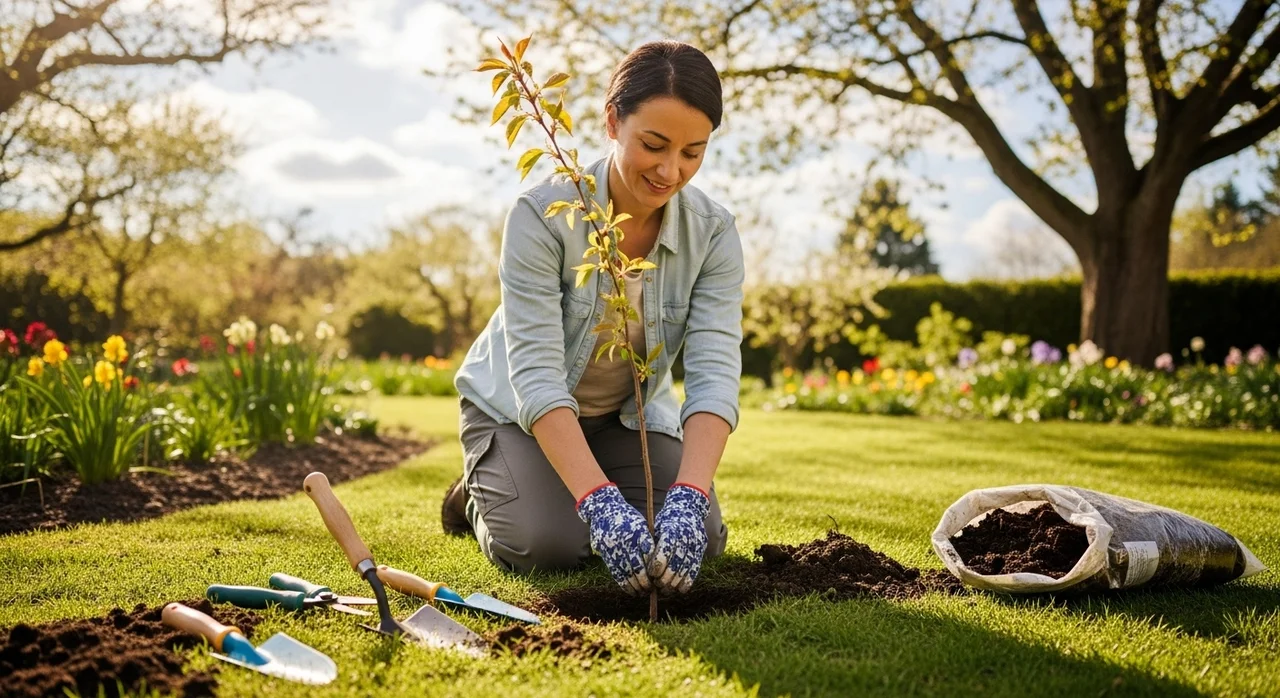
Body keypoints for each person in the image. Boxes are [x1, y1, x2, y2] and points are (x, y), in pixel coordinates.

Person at [443, 39, 744, 596]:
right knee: (546, 544)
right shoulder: (543, 216)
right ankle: (478, 488)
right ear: (612, 121)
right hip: (518, 413)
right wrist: (599, 502)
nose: (670, 170)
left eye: (692, 152)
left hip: (625, 417)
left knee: (701, 534)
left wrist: (691, 494)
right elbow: (533, 374)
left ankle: (566, 483)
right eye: (653, 144)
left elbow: (714, 373)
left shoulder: (714, 235)